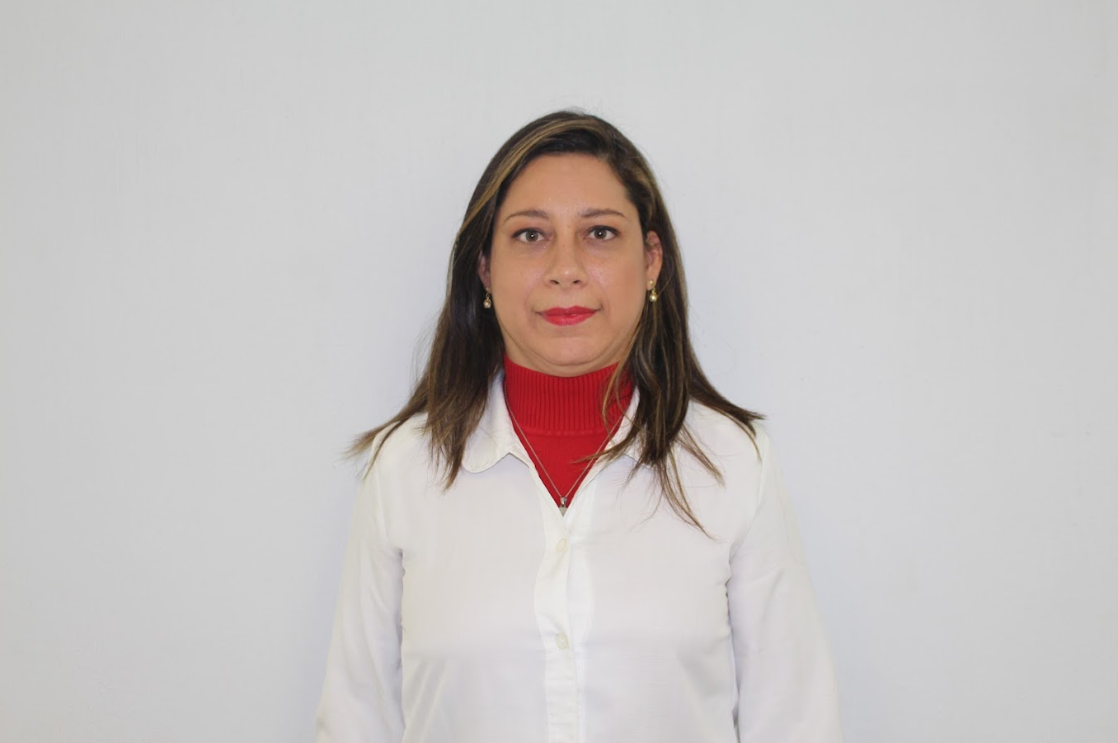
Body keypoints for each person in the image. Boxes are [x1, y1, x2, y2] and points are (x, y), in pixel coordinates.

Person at [315, 111, 843, 743]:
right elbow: (356, 721)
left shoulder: (732, 464)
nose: (565, 268)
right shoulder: (405, 469)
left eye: (599, 233)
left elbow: (794, 721)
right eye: (530, 235)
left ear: (651, 261)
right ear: (485, 269)